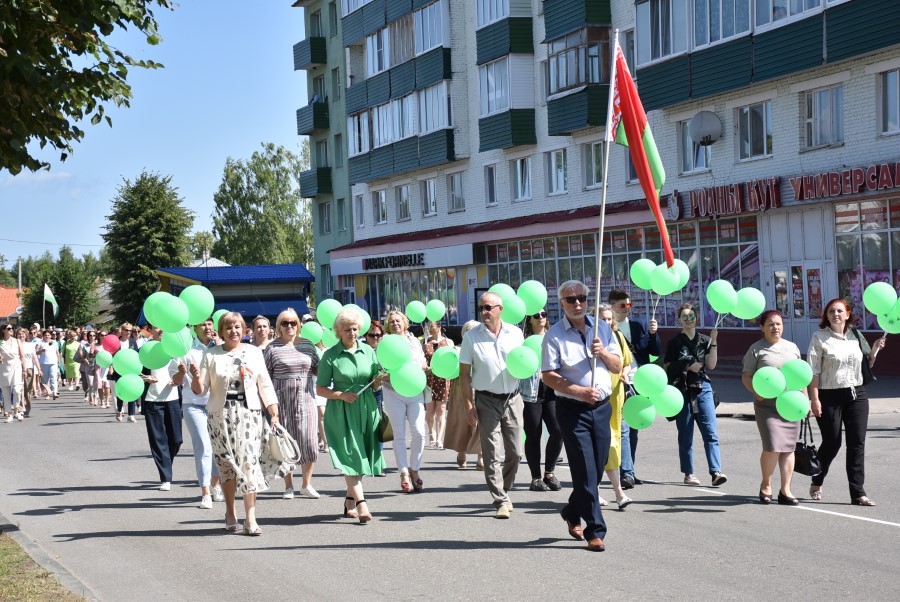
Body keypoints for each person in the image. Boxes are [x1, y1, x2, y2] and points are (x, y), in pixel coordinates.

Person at [542, 281, 622, 552]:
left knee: (596, 471)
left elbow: (617, 366)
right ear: (562, 303)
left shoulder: (602, 328)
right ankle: (595, 530)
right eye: (570, 299)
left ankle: (571, 511)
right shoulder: (554, 335)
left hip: (601, 408)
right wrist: (578, 391)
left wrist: (603, 353)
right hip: (572, 410)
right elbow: (548, 375)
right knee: (585, 471)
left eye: (581, 298)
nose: (577, 303)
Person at [190, 312, 284, 536]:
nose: (234, 331)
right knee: (227, 466)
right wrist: (194, 377)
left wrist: (273, 411)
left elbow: (264, 383)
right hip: (220, 416)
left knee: (249, 463)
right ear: (221, 332)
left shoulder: (253, 352)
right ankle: (230, 512)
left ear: (243, 330)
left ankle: (250, 518)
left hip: (248, 414)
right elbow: (200, 390)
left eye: (238, 327)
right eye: (229, 328)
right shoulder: (211, 355)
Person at [807, 298, 885, 506]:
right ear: (826, 315)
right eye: (831, 311)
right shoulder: (819, 337)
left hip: (857, 394)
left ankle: (858, 493)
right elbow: (813, 371)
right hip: (829, 395)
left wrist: (874, 349)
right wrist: (814, 399)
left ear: (848, 314)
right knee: (832, 443)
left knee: (857, 443)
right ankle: (817, 479)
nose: (836, 314)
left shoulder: (855, 335)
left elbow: (867, 364)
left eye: (840, 311)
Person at [459, 292, 525, 519]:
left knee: (515, 453)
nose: (484, 312)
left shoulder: (515, 333)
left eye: (488, 307)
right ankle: (500, 500)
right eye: (481, 308)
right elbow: (464, 375)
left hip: (513, 398)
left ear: (500, 309)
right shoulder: (472, 337)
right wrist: (469, 406)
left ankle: (503, 490)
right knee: (491, 452)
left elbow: (524, 362)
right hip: (486, 400)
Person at [316, 309, 385, 523]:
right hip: (341, 410)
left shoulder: (368, 351)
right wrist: (341, 395)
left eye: (355, 329)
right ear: (338, 331)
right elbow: (320, 389)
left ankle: (349, 501)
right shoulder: (330, 355)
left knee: (362, 455)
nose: (352, 333)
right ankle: (362, 504)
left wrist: (379, 380)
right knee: (350, 456)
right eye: (347, 330)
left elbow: (374, 384)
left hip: (367, 407)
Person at [741, 310, 804, 505]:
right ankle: (766, 484)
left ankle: (786, 490)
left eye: (778, 324)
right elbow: (746, 376)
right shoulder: (756, 349)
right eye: (770, 324)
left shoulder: (792, 348)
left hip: (791, 404)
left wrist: (805, 401)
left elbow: (800, 376)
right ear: (762, 328)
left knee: (788, 448)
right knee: (772, 446)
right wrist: (755, 391)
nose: (775, 327)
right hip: (767, 406)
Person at [664, 302, 727, 487]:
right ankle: (688, 473)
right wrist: (687, 366)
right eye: (684, 317)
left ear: (696, 318)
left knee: (710, 432)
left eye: (691, 316)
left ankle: (716, 472)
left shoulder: (704, 340)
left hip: (703, 388)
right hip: (683, 389)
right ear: (679, 319)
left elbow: (711, 364)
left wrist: (714, 342)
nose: (688, 319)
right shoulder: (674, 342)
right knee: (685, 434)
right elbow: (667, 367)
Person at [264, 309, 321, 500]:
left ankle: (307, 484)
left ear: (299, 325)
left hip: (306, 399)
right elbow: (265, 378)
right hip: (282, 400)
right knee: (285, 443)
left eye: (293, 323)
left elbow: (318, 369)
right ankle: (288, 486)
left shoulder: (307, 345)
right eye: (285, 323)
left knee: (310, 442)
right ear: (279, 327)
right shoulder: (272, 348)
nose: (289, 326)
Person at [608, 288, 660, 489]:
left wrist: (653, 334)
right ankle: (626, 472)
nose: (626, 308)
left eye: (629, 304)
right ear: (612, 306)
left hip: (639, 382)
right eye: (622, 305)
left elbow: (655, 351)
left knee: (634, 428)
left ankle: (629, 470)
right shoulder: (608, 328)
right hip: (619, 381)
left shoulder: (640, 325)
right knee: (623, 428)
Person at [382, 310, 429, 493]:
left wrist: (424, 366)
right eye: (391, 322)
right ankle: (404, 473)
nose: (395, 324)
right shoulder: (386, 342)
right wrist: (392, 374)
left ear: (405, 322)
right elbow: (381, 369)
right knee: (399, 434)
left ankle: (414, 468)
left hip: (415, 390)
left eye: (398, 320)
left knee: (419, 432)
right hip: (393, 392)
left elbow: (422, 362)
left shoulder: (414, 341)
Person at [179, 318, 223, 509]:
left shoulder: (221, 347)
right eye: (202, 324)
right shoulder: (187, 350)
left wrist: (220, 346)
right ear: (195, 328)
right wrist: (182, 372)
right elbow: (177, 379)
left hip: (217, 404)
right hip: (194, 404)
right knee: (204, 447)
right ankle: (205, 492)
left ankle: (215, 484)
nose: (207, 327)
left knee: (218, 448)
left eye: (209, 323)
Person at [519, 308, 564, 493]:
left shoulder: (553, 337)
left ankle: (549, 473)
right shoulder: (523, 340)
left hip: (552, 390)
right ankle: (535, 478)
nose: (541, 318)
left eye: (544, 314)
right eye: (536, 315)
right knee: (533, 434)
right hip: (531, 393)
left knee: (558, 430)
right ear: (529, 320)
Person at [598, 304, 634, 509]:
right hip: (597, 398)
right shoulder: (590, 339)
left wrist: (625, 373)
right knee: (601, 444)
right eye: (602, 319)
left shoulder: (618, 337)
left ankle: (617, 492)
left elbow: (627, 362)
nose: (606, 322)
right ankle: (615, 492)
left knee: (613, 442)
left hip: (616, 396)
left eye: (609, 319)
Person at [142, 327, 185, 491]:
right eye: (156, 326)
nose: (160, 330)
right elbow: (132, 372)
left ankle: (166, 463)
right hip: (152, 399)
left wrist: (178, 378)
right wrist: (145, 378)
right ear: (150, 330)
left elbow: (185, 370)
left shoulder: (175, 348)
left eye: (163, 327)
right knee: (158, 439)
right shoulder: (146, 350)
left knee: (176, 439)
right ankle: (165, 477)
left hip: (173, 398)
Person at [444, 321, 483, 470]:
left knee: (482, 422)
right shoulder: (456, 350)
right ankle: (462, 451)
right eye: (469, 331)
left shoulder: (484, 348)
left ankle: (481, 456)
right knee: (463, 421)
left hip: (480, 387)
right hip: (461, 388)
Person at [423, 319, 454, 448]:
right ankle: (431, 432)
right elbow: (421, 360)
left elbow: (453, 359)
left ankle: (440, 438)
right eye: (428, 326)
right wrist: (426, 368)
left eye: (432, 326)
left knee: (441, 408)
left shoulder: (448, 342)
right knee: (430, 409)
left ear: (439, 327)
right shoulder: (425, 342)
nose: (430, 328)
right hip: (429, 379)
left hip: (443, 378)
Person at [112, 323, 139, 423]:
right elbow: (112, 355)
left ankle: (131, 415)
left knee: (131, 391)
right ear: (122, 331)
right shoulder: (116, 341)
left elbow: (136, 354)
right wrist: (111, 367)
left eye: (130, 330)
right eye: (127, 330)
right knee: (121, 391)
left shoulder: (132, 341)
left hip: (131, 370)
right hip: (119, 370)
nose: (129, 332)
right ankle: (119, 410)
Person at [0, 324, 27, 422]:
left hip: (16, 366)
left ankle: (16, 410)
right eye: (8, 328)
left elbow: (22, 356)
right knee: (6, 392)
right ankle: (9, 414)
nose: (11, 330)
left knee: (17, 390)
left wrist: (24, 369)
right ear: (3, 330)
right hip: (4, 367)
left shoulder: (17, 341)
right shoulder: (0, 342)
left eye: (12, 328)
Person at [16, 328, 40, 418]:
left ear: (26, 335)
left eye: (23, 334)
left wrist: (39, 369)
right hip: (17, 368)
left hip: (29, 368)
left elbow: (34, 358)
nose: (21, 335)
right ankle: (20, 409)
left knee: (27, 390)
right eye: (19, 334)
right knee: (18, 389)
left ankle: (27, 408)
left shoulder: (30, 345)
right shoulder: (14, 345)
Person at [35, 329, 60, 400]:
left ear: (51, 336)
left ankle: (55, 392)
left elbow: (57, 352)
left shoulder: (54, 342)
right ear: (43, 336)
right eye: (45, 335)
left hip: (53, 362)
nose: (47, 336)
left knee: (53, 377)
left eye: (48, 335)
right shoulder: (40, 342)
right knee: (45, 379)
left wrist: (58, 361)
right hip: (44, 363)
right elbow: (35, 352)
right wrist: (41, 350)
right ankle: (47, 393)